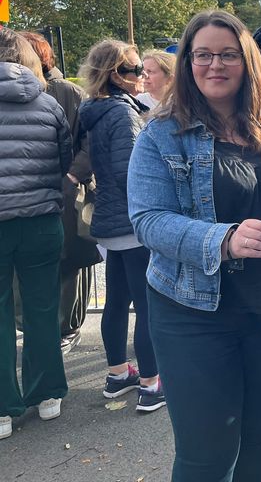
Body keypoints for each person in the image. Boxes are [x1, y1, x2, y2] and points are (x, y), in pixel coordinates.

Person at [127, 10, 261, 481]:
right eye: (203, 54)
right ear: (187, 63)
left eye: (228, 54)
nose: (215, 65)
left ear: (248, 61)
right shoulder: (161, 134)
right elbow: (147, 220)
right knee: (208, 449)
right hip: (193, 312)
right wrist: (222, 239)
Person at [79, 41, 164, 412]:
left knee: (116, 301)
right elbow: (131, 173)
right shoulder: (124, 114)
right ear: (115, 75)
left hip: (110, 220)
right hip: (131, 219)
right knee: (146, 306)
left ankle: (118, 374)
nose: (141, 76)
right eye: (133, 70)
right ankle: (150, 383)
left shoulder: (96, 110)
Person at [0, 27, 71, 438]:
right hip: (41, 219)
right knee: (43, 307)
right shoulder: (48, 106)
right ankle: (46, 394)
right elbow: (61, 160)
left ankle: (3, 407)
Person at [20, 32, 101, 353]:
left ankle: (67, 327)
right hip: (38, 193)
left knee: (69, 263)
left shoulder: (68, 92)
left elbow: (92, 142)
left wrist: (71, 176)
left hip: (69, 193)